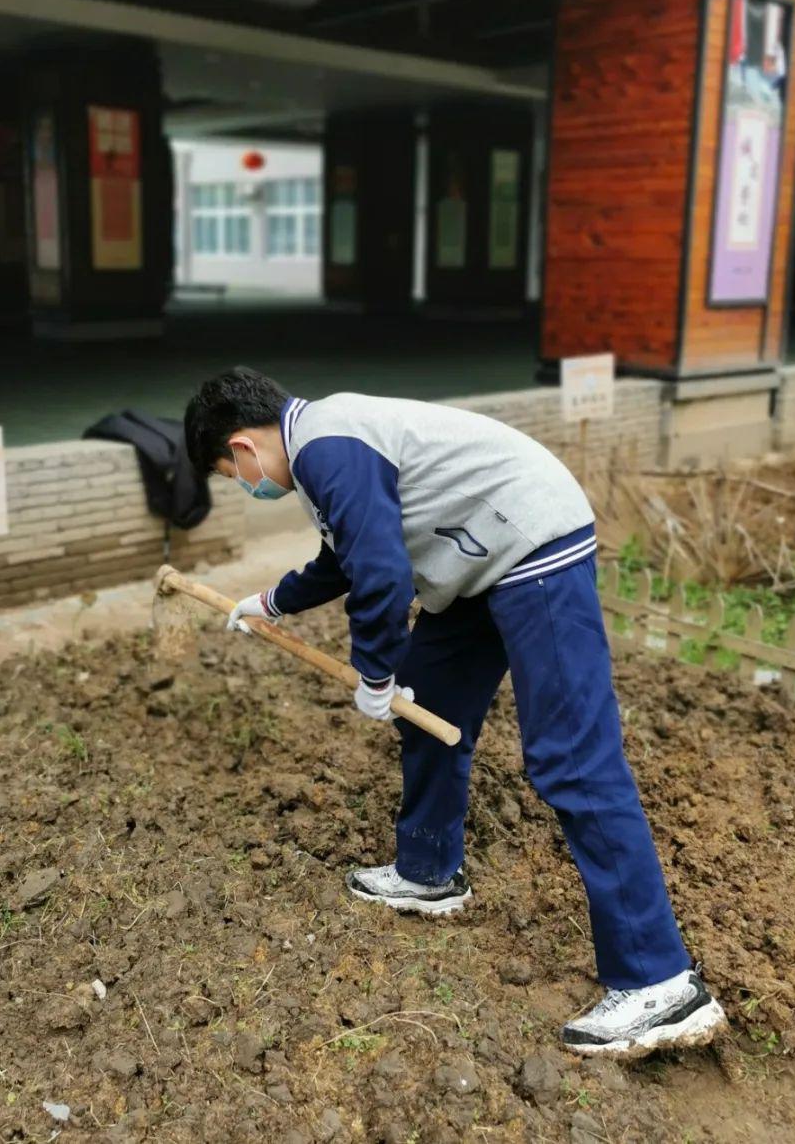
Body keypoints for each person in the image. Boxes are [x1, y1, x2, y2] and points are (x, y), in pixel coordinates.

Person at [184, 368, 727, 1057]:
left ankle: (659, 982)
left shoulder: (326, 445)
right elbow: (344, 557)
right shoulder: (326, 441)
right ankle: (428, 871)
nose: (245, 485)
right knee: (429, 701)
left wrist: (374, 673)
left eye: (232, 473)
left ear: (240, 446)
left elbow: (381, 574)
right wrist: (272, 602)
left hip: (532, 545)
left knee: (571, 757)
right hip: (484, 558)